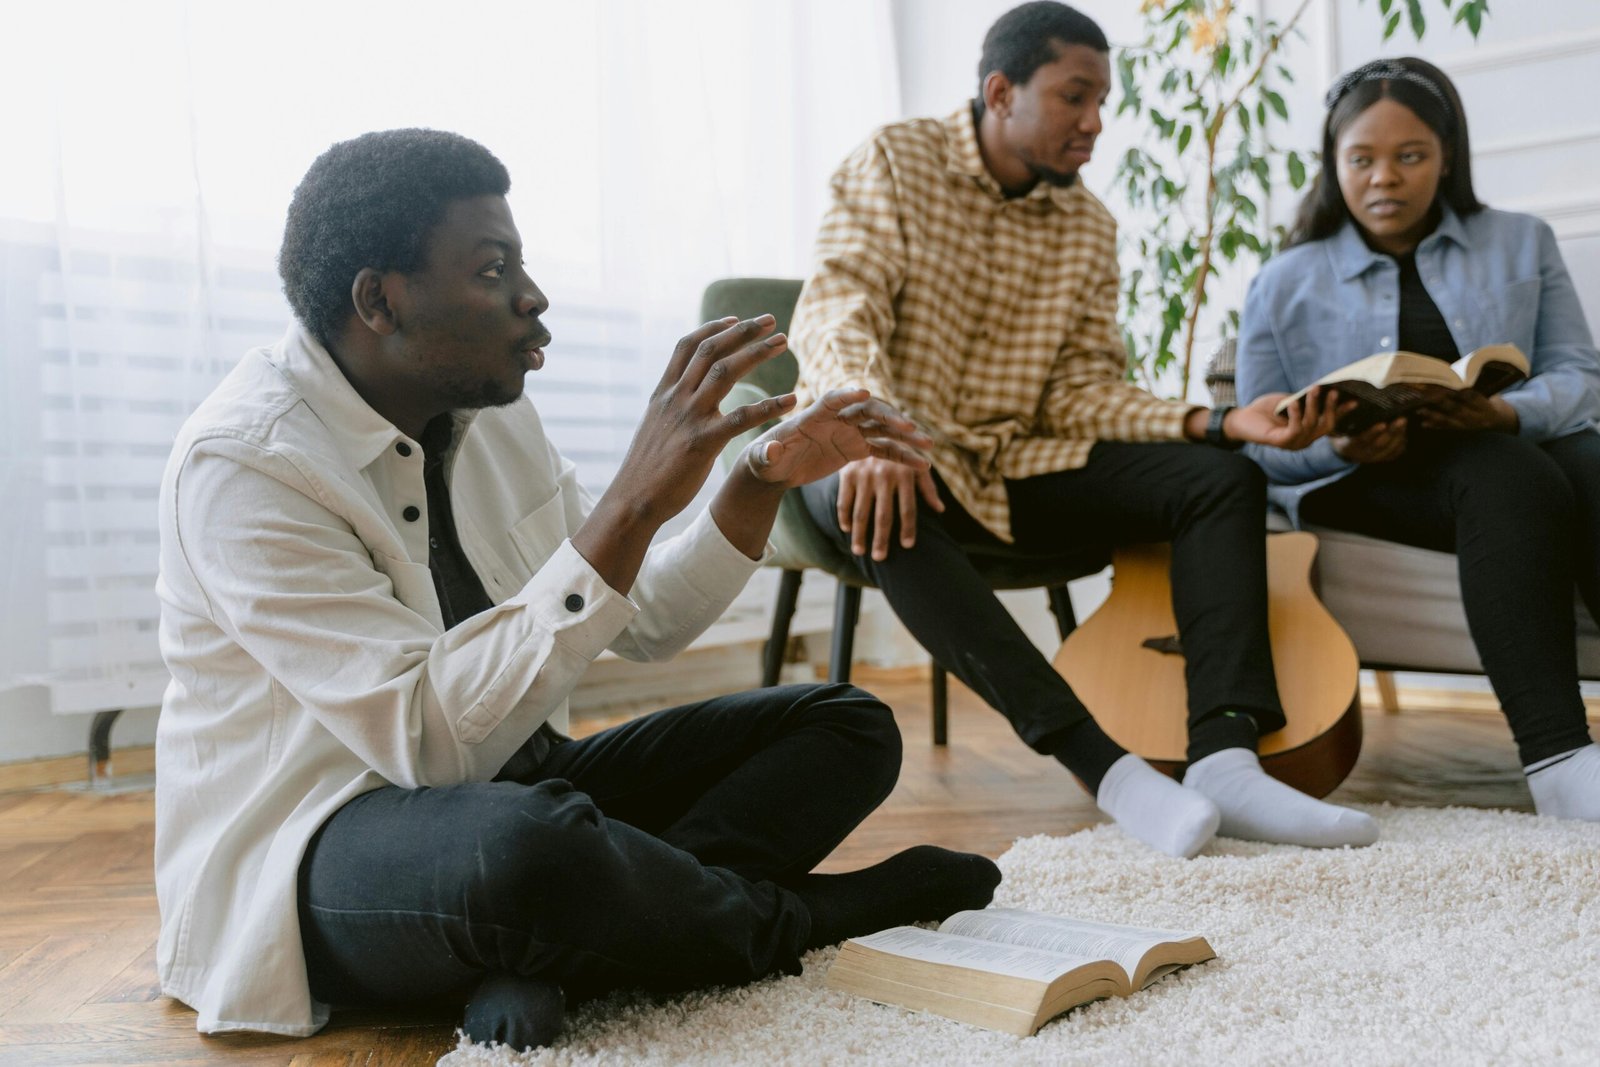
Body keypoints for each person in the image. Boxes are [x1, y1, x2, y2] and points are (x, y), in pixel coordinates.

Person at [152, 128, 1004, 1050]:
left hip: (524, 779)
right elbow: (424, 744)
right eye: (492, 269)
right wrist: (633, 500)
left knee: (846, 724)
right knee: (527, 850)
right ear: (380, 299)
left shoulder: (491, 416)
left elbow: (645, 623)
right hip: (321, 845)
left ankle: (553, 946)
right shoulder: (247, 463)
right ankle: (798, 919)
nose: (532, 297)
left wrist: (752, 481)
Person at [788, 0, 1375, 860]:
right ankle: (1110, 771)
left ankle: (1225, 755)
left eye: (1103, 100)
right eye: (1075, 97)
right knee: (879, 490)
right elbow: (840, 311)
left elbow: (1079, 391)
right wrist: (874, 428)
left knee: (1221, 477)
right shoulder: (894, 160)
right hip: (881, 444)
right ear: (1000, 91)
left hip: (1012, 461)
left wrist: (1218, 420)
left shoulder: (1089, 226)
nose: (1096, 123)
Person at [1235, 56, 1600, 822]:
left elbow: (1579, 376)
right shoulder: (1282, 280)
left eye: (1411, 157)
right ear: (1334, 167)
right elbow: (1258, 444)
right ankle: (1559, 758)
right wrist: (1336, 444)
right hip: (1366, 479)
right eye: (1361, 159)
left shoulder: (1521, 241)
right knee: (1511, 473)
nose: (1385, 180)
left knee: (1583, 459)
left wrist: (1504, 412)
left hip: (1501, 442)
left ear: (1447, 157)